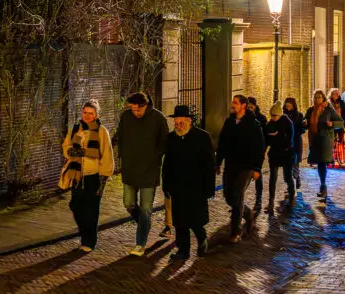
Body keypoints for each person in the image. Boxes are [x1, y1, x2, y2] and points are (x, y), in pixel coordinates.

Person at [114, 91, 169, 257]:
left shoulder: (159, 119)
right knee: (128, 203)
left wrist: (155, 158)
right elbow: (120, 136)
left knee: (146, 209)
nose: (135, 113)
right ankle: (144, 224)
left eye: (138, 110)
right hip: (130, 169)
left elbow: (164, 143)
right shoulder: (126, 117)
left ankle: (140, 243)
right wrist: (121, 154)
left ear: (145, 106)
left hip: (149, 171)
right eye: (132, 109)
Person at [163, 105, 216, 260]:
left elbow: (209, 164)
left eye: (181, 123)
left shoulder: (202, 137)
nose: (178, 126)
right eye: (176, 123)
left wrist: (209, 188)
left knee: (195, 219)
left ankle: (202, 238)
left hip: (196, 186)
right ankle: (183, 250)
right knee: (180, 221)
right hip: (177, 186)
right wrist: (166, 183)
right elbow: (168, 162)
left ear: (189, 121)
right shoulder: (171, 138)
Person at [60, 100, 114, 252]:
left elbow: (106, 154)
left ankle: (89, 241)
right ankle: (85, 233)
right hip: (77, 175)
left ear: (96, 115)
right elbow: (66, 148)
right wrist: (82, 152)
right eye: (85, 112)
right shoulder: (75, 129)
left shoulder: (102, 131)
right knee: (75, 206)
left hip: (93, 176)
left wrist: (104, 177)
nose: (87, 116)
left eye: (91, 113)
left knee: (91, 209)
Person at [217, 95, 266, 242]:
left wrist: (257, 168)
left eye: (236, 102)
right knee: (229, 196)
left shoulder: (254, 124)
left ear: (243, 105)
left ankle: (235, 231)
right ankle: (248, 213)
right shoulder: (229, 122)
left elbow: (260, 147)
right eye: (233, 102)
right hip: (231, 165)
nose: (233, 104)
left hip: (247, 166)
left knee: (238, 193)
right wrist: (218, 162)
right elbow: (222, 143)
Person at [306, 89, 343, 199]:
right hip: (314, 139)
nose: (317, 99)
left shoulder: (328, 109)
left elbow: (340, 123)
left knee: (322, 163)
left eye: (319, 97)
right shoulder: (310, 110)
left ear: (323, 98)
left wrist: (332, 124)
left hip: (325, 139)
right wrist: (305, 122)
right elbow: (305, 121)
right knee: (319, 163)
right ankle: (323, 186)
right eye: (315, 97)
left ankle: (323, 187)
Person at [265, 101, 296, 214]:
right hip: (274, 155)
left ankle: (291, 197)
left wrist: (277, 137)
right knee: (273, 178)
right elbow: (267, 139)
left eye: (275, 116)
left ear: (280, 114)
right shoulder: (270, 124)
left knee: (288, 176)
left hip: (287, 155)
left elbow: (289, 142)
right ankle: (271, 202)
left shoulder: (288, 122)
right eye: (272, 115)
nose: (273, 118)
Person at [246, 97, 268, 213]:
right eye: (248, 106)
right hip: (246, 152)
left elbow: (265, 136)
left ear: (255, 106)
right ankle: (239, 202)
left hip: (258, 151)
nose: (250, 108)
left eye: (251, 106)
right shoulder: (242, 118)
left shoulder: (262, 119)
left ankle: (258, 200)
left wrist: (263, 149)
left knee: (257, 174)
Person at [282, 97, 304, 189]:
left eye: (289, 106)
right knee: (287, 164)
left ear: (293, 106)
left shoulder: (299, 115)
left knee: (295, 163)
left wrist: (301, 128)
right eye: (286, 106)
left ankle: (297, 178)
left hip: (296, 141)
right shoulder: (283, 115)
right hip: (286, 143)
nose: (288, 108)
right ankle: (289, 183)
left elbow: (301, 128)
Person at [328, 88, 345, 165]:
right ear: (332, 95)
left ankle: (340, 156)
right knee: (331, 141)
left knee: (341, 140)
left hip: (340, 123)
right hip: (332, 124)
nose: (337, 95)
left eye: (338, 94)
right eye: (336, 94)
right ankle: (332, 156)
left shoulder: (341, 102)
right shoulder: (328, 103)